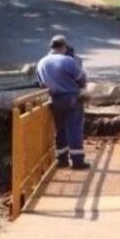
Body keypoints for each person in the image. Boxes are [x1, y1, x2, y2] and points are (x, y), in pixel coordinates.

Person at [35, 35, 90, 169]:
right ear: (64, 47)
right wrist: (82, 89)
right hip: (72, 99)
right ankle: (77, 161)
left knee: (60, 129)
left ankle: (62, 159)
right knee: (74, 129)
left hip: (54, 100)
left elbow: (41, 84)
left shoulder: (41, 62)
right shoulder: (68, 61)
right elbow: (81, 78)